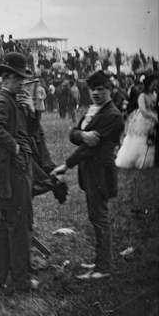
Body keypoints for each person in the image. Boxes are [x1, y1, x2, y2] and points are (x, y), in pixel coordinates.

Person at [52, 71, 125, 280]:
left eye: (100, 89)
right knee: (96, 216)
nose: (96, 93)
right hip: (91, 171)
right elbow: (74, 134)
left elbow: (89, 149)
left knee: (100, 217)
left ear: (109, 90)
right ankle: (101, 260)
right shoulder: (93, 110)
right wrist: (82, 134)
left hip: (100, 172)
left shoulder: (112, 115)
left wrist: (66, 165)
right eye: (93, 89)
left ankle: (103, 267)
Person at [0, 52, 39, 294]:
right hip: (12, 171)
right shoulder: (4, 100)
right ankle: (21, 282)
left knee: (4, 228)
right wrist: (14, 147)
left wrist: (32, 111)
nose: (22, 83)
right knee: (18, 227)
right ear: (6, 78)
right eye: (18, 79)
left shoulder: (13, 99)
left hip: (10, 171)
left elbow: (29, 132)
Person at [115, 77, 157, 169]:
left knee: (152, 138)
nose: (154, 87)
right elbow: (143, 110)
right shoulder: (142, 96)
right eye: (152, 85)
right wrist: (153, 116)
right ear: (147, 86)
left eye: (155, 85)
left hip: (153, 117)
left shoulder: (154, 94)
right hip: (144, 119)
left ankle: (152, 159)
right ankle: (138, 160)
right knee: (141, 138)